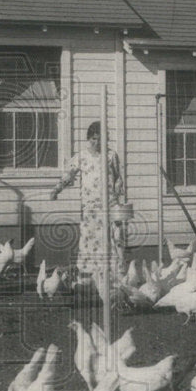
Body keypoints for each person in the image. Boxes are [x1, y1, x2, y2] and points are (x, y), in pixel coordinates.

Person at [50, 120, 126, 281]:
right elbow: (68, 175)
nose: (97, 142)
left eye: (100, 139)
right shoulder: (81, 157)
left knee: (114, 236)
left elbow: (119, 178)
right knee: (91, 237)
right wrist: (57, 189)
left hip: (110, 204)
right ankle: (90, 275)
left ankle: (116, 274)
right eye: (94, 139)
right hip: (90, 206)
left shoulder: (111, 155)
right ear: (89, 138)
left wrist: (119, 191)